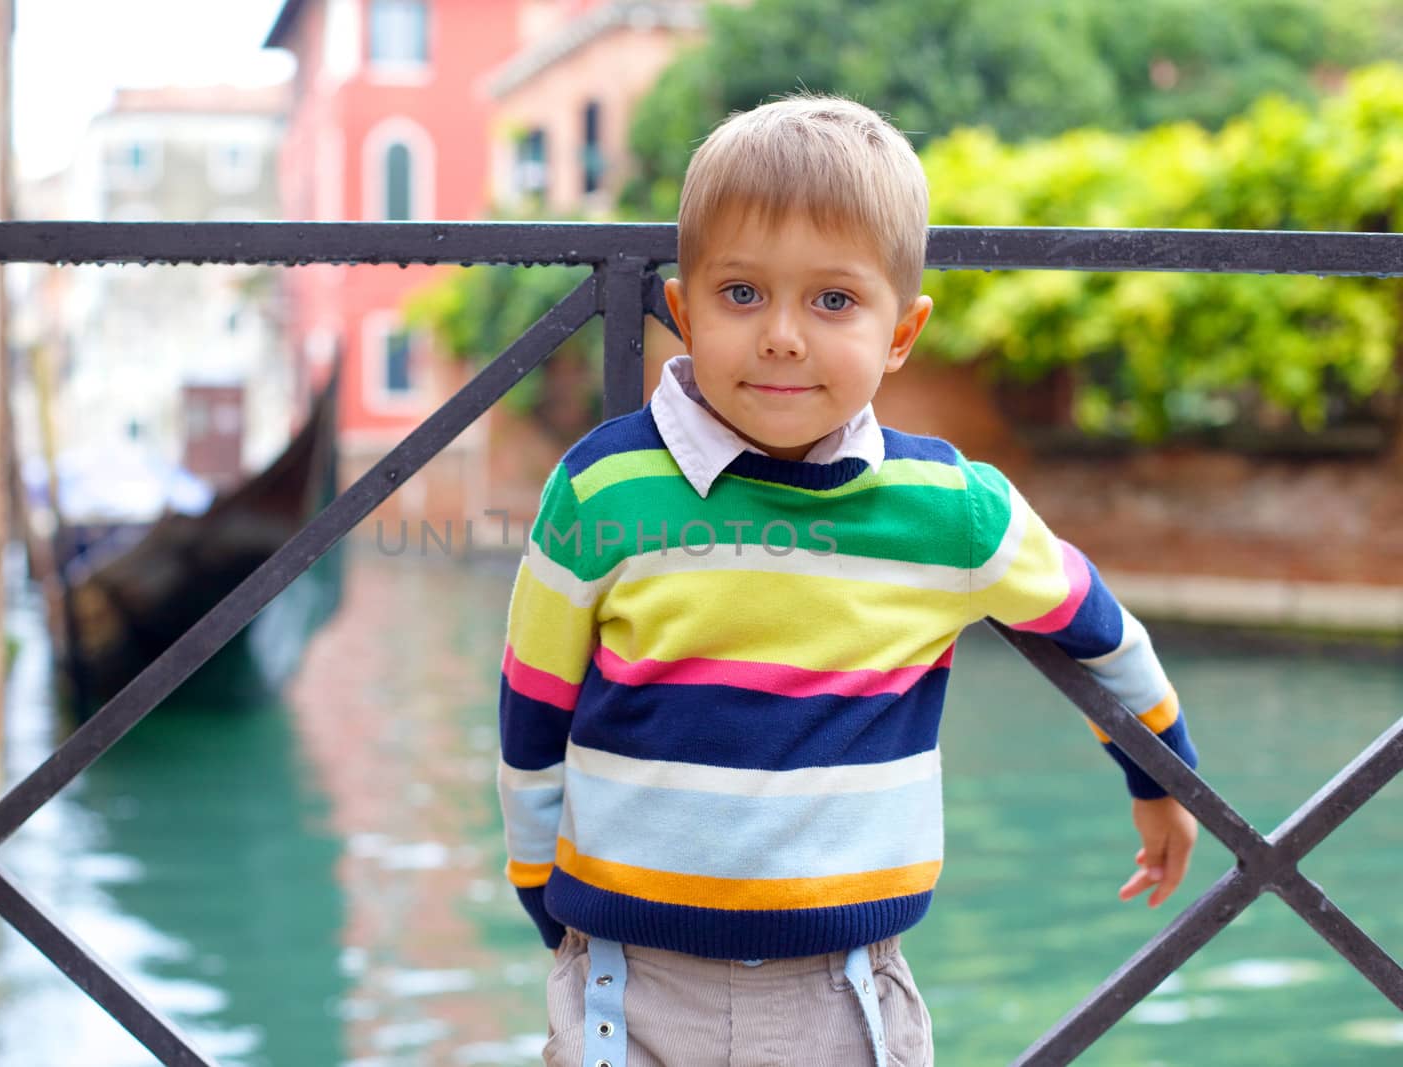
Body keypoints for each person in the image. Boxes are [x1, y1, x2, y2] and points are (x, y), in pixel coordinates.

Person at [496, 95, 1200, 1067]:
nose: (783, 335)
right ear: (682, 309)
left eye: (833, 300)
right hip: (627, 983)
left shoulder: (949, 507)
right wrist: (538, 881)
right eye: (741, 293)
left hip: (847, 991)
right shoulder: (601, 487)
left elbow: (1099, 630)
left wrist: (1163, 780)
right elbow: (533, 699)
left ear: (900, 331)